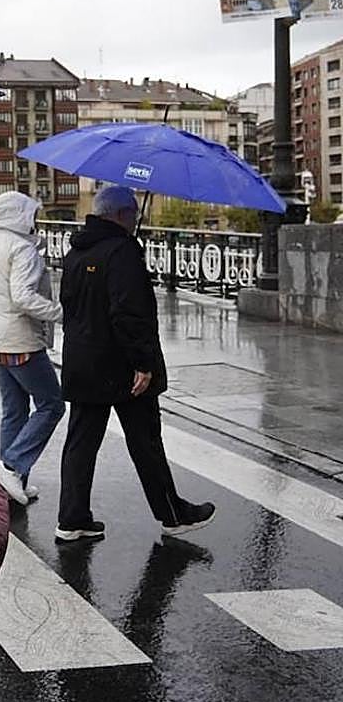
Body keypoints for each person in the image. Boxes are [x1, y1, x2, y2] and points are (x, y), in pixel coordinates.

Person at [56, 185, 215, 542]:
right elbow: (129, 314)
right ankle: (173, 515)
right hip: (123, 368)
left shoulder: (76, 252)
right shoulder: (123, 252)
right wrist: (143, 363)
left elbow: (72, 307)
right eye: (133, 214)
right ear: (122, 215)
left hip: (83, 362)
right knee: (145, 442)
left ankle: (72, 518)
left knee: (80, 444)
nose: (136, 219)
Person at [0, 191, 65, 506]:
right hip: (21, 340)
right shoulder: (22, 248)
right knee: (51, 405)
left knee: (14, 410)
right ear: (20, 216)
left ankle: (10, 483)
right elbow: (23, 297)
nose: (35, 220)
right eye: (31, 214)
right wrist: (60, 312)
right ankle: (11, 466)